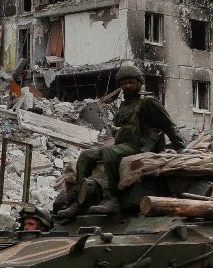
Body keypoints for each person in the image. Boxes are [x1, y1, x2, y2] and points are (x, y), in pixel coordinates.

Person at [56, 65, 186, 219]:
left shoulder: (148, 102)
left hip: (143, 147)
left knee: (110, 152)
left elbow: (168, 125)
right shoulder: (125, 105)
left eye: (130, 82)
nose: (127, 86)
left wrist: (180, 148)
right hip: (124, 145)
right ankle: (78, 201)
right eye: (123, 83)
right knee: (86, 155)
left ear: (139, 83)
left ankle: (111, 198)